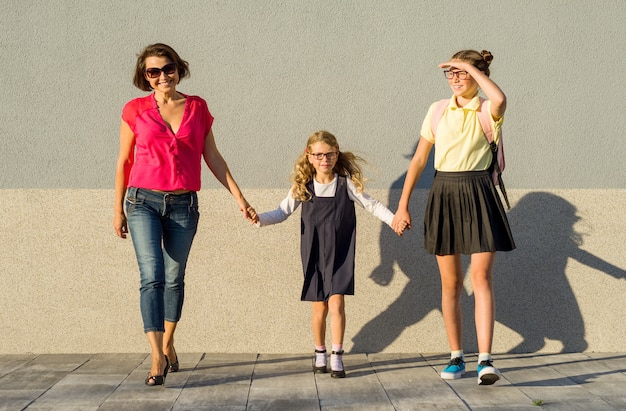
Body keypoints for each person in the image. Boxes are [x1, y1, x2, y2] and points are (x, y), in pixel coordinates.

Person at [113, 43, 257, 386]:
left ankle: (168, 341)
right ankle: (156, 356)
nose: (163, 76)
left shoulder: (197, 107)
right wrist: (116, 209)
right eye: (154, 71)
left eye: (168, 68)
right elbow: (124, 161)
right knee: (152, 277)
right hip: (142, 202)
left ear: (179, 69)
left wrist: (240, 197)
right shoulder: (134, 110)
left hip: (183, 205)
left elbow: (213, 157)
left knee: (175, 278)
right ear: (145, 77)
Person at [392, 50, 515, 385]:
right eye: (451, 73)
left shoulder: (489, 108)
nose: (456, 79)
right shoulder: (437, 110)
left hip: (478, 193)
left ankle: (486, 360)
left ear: (478, 74)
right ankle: (456, 357)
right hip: (444, 192)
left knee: (481, 278)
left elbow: (500, 96)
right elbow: (418, 160)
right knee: (450, 283)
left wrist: (471, 70)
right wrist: (402, 206)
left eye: (463, 73)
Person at [253, 131, 404, 378]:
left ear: (337, 154)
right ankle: (319, 352)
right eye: (319, 155)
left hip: (341, 251)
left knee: (337, 302)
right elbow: (281, 212)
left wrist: (393, 221)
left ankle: (337, 355)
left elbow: (372, 205)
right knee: (319, 307)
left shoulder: (346, 184)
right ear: (309, 156)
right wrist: (259, 219)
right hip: (313, 252)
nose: (324, 159)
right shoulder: (303, 187)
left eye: (330, 154)